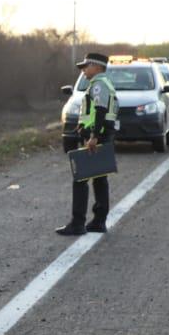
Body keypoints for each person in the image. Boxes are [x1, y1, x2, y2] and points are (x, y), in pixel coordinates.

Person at [57, 52, 116, 236]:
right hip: (101, 135)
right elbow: (95, 112)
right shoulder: (104, 83)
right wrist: (83, 126)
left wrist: (93, 136)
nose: (83, 71)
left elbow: (100, 110)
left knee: (80, 179)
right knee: (99, 179)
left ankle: (77, 223)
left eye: (86, 66)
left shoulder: (98, 85)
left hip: (96, 137)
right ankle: (99, 221)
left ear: (96, 67)